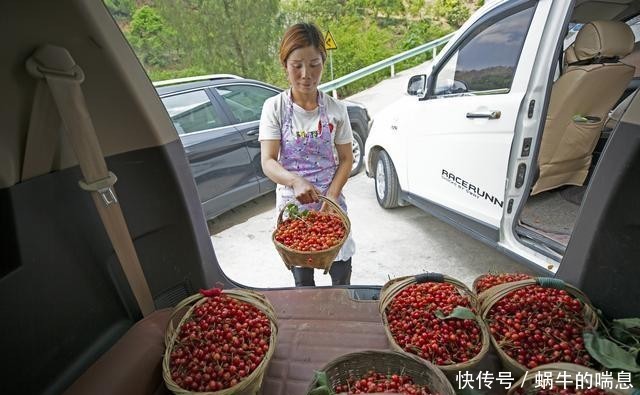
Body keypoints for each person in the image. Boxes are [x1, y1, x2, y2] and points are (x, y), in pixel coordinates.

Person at [259, 22, 355, 287]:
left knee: (341, 270)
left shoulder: (336, 109)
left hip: (330, 200)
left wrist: (332, 197)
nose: (306, 74)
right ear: (285, 65)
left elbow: (347, 159)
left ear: (323, 62)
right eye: (297, 65)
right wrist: (294, 181)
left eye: (314, 64)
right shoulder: (275, 108)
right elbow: (268, 161)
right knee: (302, 279)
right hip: (293, 205)